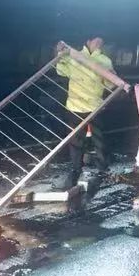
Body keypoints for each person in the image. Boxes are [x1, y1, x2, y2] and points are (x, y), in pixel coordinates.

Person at [54, 37, 116, 190]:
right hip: (75, 105)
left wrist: (112, 76)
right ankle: (76, 168)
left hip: (94, 105)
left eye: (101, 41)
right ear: (88, 41)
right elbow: (62, 71)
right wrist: (60, 55)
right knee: (76, 140)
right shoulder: (73, 56)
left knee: (98, 138)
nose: (99, 44)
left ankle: (102, 168)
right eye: (97, 41)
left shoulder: (104, 61)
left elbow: (108, 84)